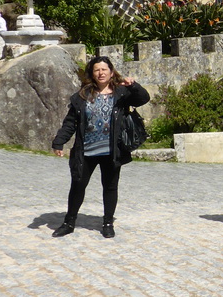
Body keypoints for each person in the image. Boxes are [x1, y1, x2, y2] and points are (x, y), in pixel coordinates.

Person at [51, 56, 150, 239]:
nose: (100, 73)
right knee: (78, 185)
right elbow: (70, 122)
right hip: (86, 150)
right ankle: (69, 222)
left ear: (111, 72)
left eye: (104, 69)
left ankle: (107, 222)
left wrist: (133, 85)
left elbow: (143, 99)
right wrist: (59, 141)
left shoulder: (122, 93)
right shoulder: (82, 96)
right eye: (97, 70)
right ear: (92, 73)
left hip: (112, 150)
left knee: (110, 187)